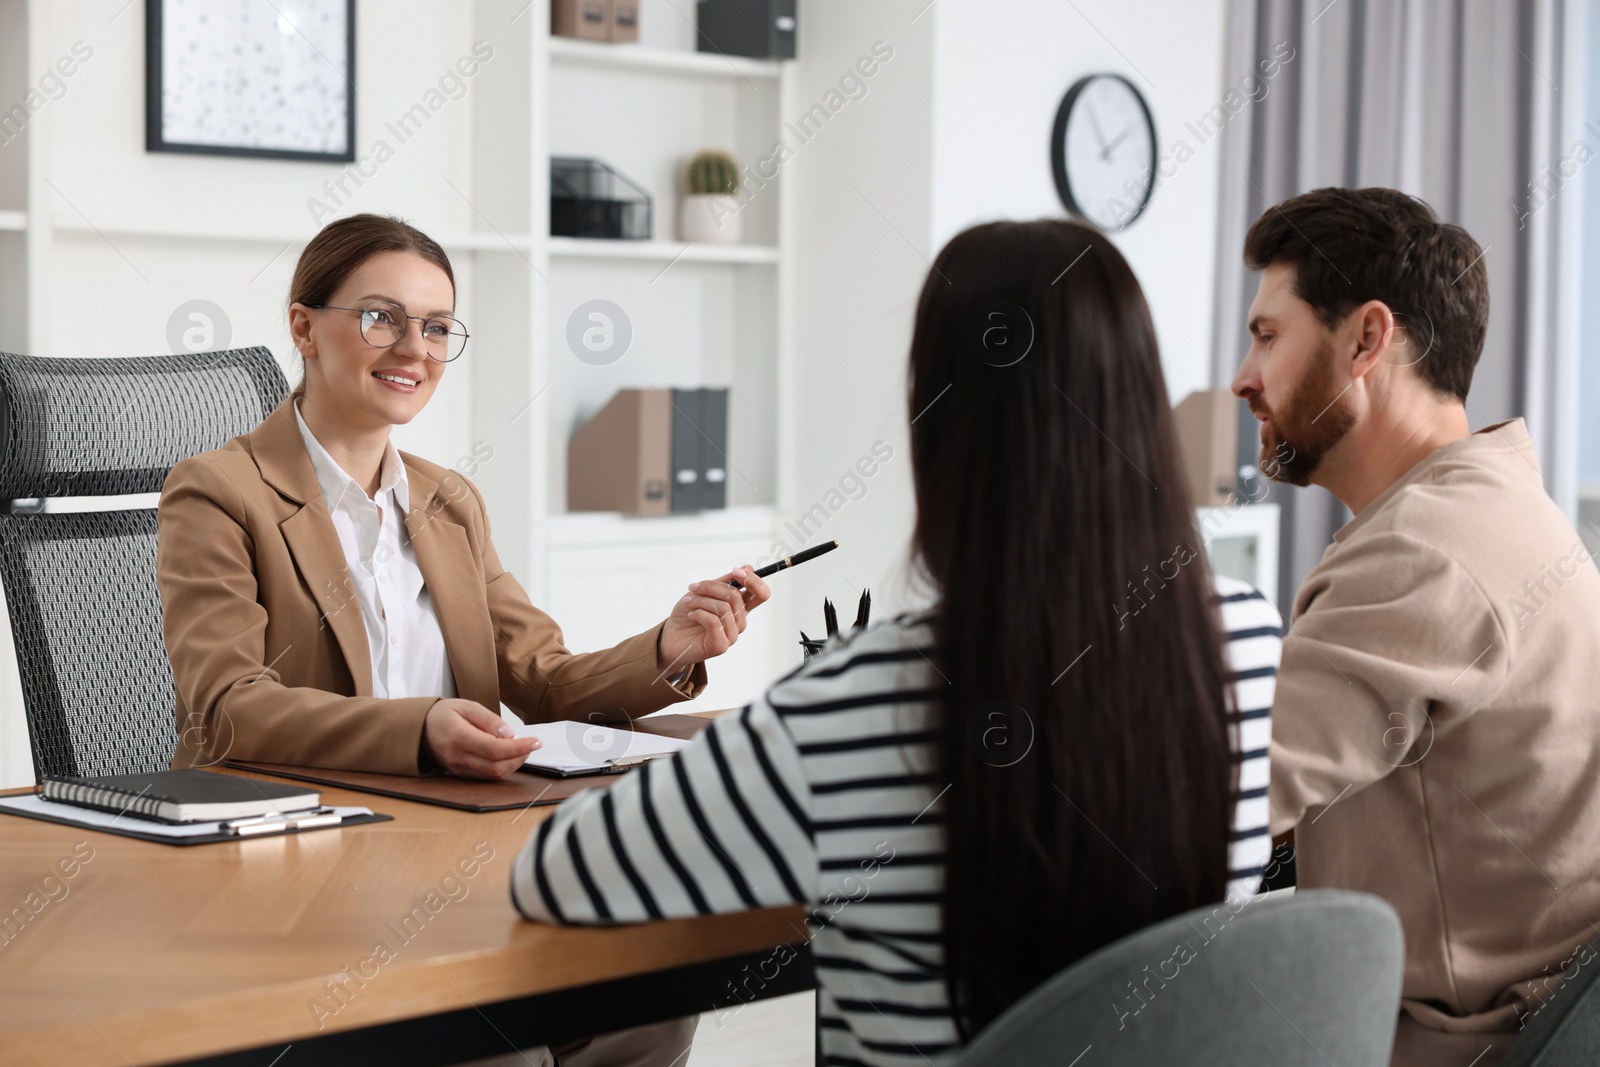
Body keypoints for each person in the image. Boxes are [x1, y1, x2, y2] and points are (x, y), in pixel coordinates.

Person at [507, 218, 1283, 1064]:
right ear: (1143, 406)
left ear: (938, 421)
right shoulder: (1246, 637)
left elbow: (560, 873)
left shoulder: (855, 700)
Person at [155, 213, 771, 1066]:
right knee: (497, 1042)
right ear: (304, 326)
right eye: (382, 317)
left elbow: (546, 680)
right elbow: (228, 709)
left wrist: (669, 645)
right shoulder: (220, 492)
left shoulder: (449, 502)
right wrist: (420, 728)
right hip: (302, 870)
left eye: (437, 326)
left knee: (657, 994)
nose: (414, 347)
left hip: (458, 849)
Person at [1231, 186, 1600, 1067]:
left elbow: (1208, 809)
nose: (1245, 376)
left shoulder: (1418, 553)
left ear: (1367, 339)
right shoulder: (1503, 505)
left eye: (1266, 336)